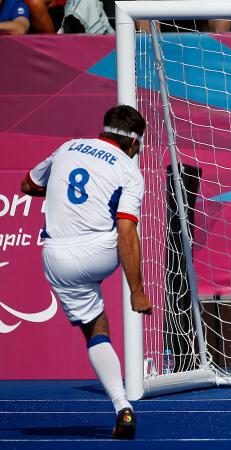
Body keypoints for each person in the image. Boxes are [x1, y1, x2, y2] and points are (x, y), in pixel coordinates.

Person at [21, 105, 153, 439]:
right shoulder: (128, 169)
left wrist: (53, 191)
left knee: (96, 328)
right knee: (125, 224)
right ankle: (122, 404)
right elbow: (126, 234)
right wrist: (136, 290)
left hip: (56, 258)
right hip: (98, 252)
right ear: (135, 143)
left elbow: (27, 184)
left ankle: (122, 406)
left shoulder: (67, 147)